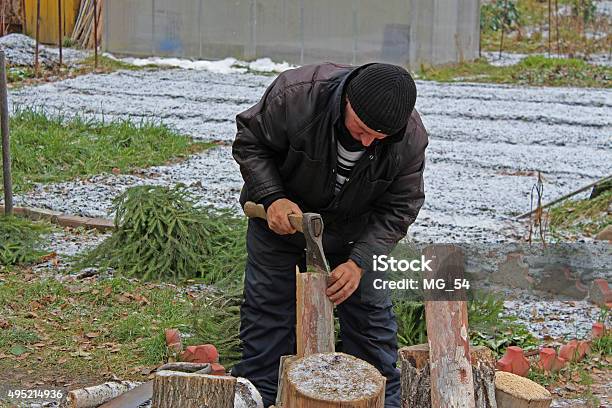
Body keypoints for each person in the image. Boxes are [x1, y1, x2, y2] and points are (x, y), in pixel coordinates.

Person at [231, 62, 428, 408]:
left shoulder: (408, 138)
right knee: (268, 318)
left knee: (372, 325)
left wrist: (361, 262)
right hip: (283, 225)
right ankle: (260, 397)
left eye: (378, 138)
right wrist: (272, 196)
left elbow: (401, 206)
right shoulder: (296, 96)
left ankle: (379, 402)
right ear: (348, 101)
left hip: (356, 235)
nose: (367, 141)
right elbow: (250, 142)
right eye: (362, 129)